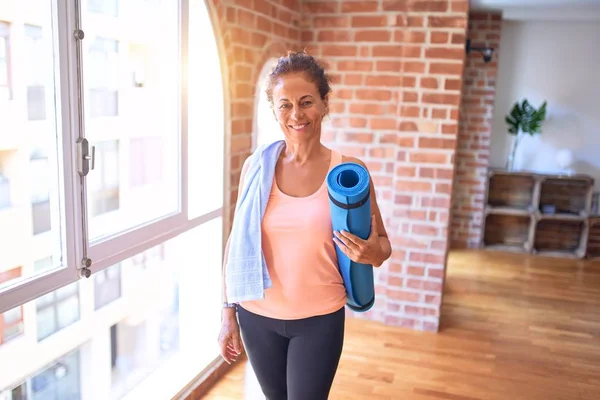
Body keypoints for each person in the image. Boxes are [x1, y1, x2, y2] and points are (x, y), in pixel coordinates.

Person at [217, 50, 392, 400]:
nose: (296, 114)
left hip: (319, 318)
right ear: (274, 110)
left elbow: (383, 247)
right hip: (256, 315)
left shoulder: (348, 172)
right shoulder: (257, 166)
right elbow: (237, 241)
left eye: (306, 101)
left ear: (325, 103)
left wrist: (373, 253)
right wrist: (227, 315)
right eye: (284, 105)